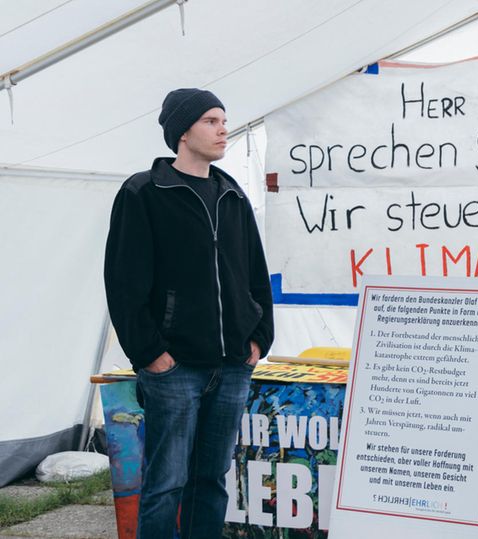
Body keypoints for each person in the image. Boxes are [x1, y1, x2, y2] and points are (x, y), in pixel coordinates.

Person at [104, 88, 273, 539]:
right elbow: (123, 285)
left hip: (233, 364)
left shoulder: (232, 193)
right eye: (212, 121)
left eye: (224, 120)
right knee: (166, 483)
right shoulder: (144, 192)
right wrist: (151, 353)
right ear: (183, 131)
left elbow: (255, 272)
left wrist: (258, 338)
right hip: (174, 366)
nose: (223, 130)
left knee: (211, 481)